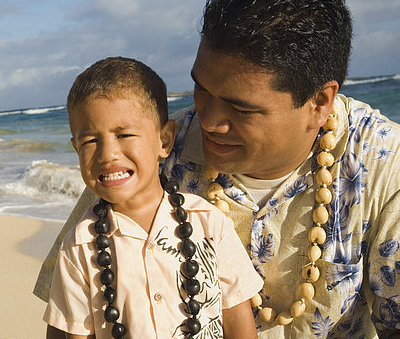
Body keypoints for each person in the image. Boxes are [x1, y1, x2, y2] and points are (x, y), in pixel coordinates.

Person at [36, 0, 400, 338]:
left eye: (241, 107)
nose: (209, 120)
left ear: (319, 102)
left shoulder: (388, 168)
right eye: (201, 89)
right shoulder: (145, 153)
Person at [44, 57, 263, 338]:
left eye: (124, 134)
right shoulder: (80, 246)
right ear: (76, 149)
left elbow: (237, 319)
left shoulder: (208, 223)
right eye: (90, 141)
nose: (107, 153)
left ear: (164, 141)